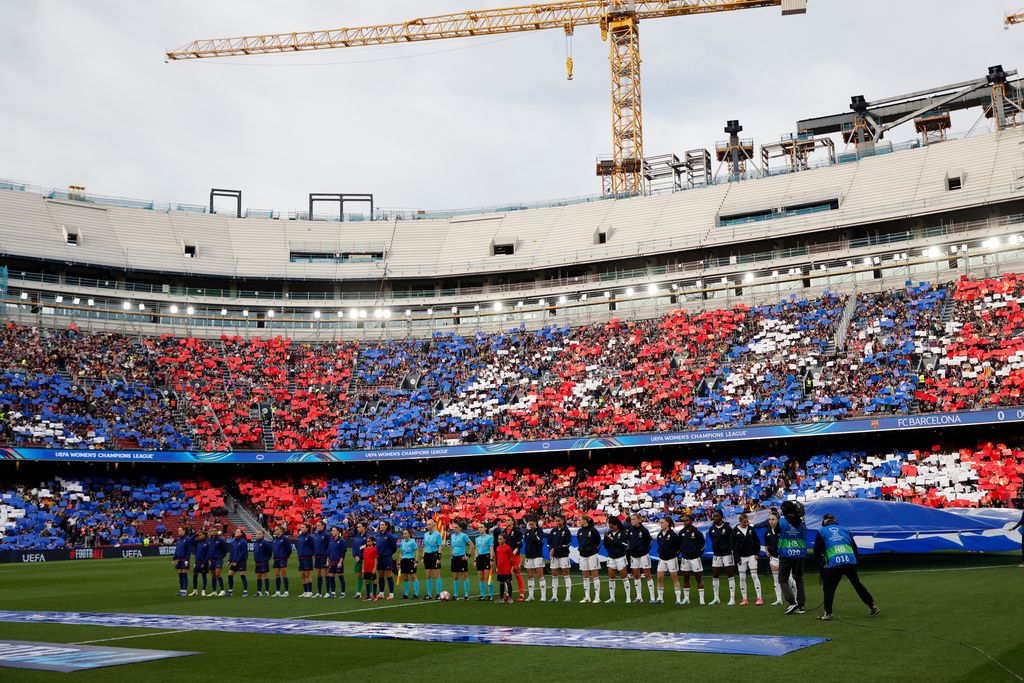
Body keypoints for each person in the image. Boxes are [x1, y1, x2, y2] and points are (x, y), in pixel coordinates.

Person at [814, 514, 880, 621]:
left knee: (829, 587)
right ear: (834, 520)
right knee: (857, 584)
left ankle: (828, 613)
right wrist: (853, 559)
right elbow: (854, 547)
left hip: (835, 561)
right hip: (849, 559)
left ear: (825, 521)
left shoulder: (822, 531)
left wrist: (822, 562)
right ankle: (872, 606)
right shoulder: (845, 530)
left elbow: (817, 550)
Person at [757, 509, 793, 606]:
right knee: (776, 579)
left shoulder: (782, 529)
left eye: (773, 519)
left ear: (777, 520)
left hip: (784, 557)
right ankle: (779, 599)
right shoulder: (767, 531)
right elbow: (767, 542)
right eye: (769, 519)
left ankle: (797, 597)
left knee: (789, 578)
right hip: (774, 558)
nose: (771, 521)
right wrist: (767, 550)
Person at [778, 500, 807, 614]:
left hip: (786, 553)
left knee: (782, 579)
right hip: (799, 554)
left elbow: (775, 532)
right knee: (799, 579)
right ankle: (801, 605)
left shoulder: (782, 522)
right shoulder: (802, 522)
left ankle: (791, 602)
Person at [731, 513, 762, 606]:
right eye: (744, 522)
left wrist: (757, 553)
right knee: (742, 577)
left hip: (751, 555)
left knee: (754, 576)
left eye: (747, 521)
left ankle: (759, 597)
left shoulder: (751, 530)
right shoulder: (735, 531)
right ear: (740, 522)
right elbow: (733, 545)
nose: (746, 523)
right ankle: (744, 599)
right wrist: (737, 558)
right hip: (741, 557)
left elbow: (757, 542)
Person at [707, 509, 735, 606]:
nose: (715, 518)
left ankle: (732, 598)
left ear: (722, 516)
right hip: (716, 554)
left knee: (730, 575)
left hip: (727, 553)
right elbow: (712, 539)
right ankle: (716, 598)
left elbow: (731, 540)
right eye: (714, 516)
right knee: (715, 576)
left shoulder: (727, 528)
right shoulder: (711, 529)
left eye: (717, 516)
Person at [494, 515, 525, 600]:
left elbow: (519, 544)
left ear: (512, 521)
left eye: (508, 520)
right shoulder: (503, 531)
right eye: (505, 520)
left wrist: (513, 553)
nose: (506, 522)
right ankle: (508, 593)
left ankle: (521, 594)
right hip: (506, 557)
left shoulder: (517, 531)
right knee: (507, 574)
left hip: (515, 556)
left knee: (517, 573)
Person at [626, 512, 655, 604]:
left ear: (639, 520)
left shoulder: (644, 530)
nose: (632, 521)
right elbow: (629, 542)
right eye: (631, 519)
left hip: (643, 555)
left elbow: (649, 542)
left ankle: (652, 597)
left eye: (634, 519)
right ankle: (639, 597)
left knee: (647, 575)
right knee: (636, 576)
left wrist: (645, 550)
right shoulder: (630, 530)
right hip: (634, 556)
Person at [678, 514, 706, 605]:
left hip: (695, 558)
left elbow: (702, 545)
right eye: (684, 521)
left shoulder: (697, 532)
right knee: (686, 578)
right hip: (685, 558)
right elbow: (679, 544)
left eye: (687, 520)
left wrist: (698, 554)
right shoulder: (681, 532)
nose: (685, 522)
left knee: (698, 578)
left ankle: (701, 598)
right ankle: (686, 598)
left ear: (691, 521)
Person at [602, 516, 630, 603]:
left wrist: (613, 539)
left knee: (624, 577)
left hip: (620, 557)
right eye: (610, 527)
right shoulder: (609, 533)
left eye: (612, 527)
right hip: (611, 557)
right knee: (611, 577)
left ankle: (628, 597)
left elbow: (625, 545)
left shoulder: (622, 533)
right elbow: (605, 545)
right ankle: (612, 597)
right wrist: (606, 538)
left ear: (617, 525)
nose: (611, 529)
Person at [655, 516, 682, 604]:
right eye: (660, 523)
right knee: (659, 578)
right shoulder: (659, 535)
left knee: (674, 578)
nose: (661, 524)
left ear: (667, 523)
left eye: (662, 523)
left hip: (671, 559)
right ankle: (660, 598)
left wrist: (673, 555)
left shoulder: (673, 534)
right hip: (662, 559)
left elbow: (678, 547)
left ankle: (678, 599)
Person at [547, 514, 573, 602]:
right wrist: (551, 549)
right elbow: (549, 542)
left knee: (566, 575)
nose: (557, 523)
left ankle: (568, 596)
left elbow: (567, 544)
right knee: (554, 576)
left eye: (559, 521)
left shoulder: (566, 531)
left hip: (563, 556)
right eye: (556, 521)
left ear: (563, 520)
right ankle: (554, 596)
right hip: (555, 557)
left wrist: (555, 549)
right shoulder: (553, 530)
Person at [576, 514, 601, 603]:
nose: (579, 521)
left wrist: (594, 550)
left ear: (585, 520)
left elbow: (598, 542)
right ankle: (587, 597)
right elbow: (580, 542)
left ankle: (597, 597)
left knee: (595, 576)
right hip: (582, 555)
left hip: (592, 555)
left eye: (580, 520)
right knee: (585, 576)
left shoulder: (593, 530)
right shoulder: (579, 531)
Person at [523, 517, 546, 601]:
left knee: (540, 575)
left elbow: (535, 540)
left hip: (537, 556)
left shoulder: (539, 532)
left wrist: (531, 531)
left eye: (532, 524)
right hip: (529, 556)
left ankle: (543, 595)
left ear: (536, 523)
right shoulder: (527, 533)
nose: (531, 526)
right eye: (529, 524)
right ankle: (531, 595)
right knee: (530, 576)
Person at [449, 521, 472, 600]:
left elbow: (471, 545)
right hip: (455, 558)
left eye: (456, 528)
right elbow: (451, 545)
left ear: (460, 528)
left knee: (464, 576)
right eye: (454, 528)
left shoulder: (464, 536)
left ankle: (466, 595)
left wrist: (468, 555)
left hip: (462, 557)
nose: (454, 529)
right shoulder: (452, 536)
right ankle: (456, 595)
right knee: (455, 577)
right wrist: (452, 554)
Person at [375, 520, 398, 600]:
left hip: (387, 558)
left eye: (382, 525)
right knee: (380, 576)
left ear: (386, 526)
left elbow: (394, 548)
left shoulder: (390, 536)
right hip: (379, 558)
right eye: (380, 525)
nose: (381, 526)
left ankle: (391, 594)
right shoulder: (377, 536)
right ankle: (381, 593)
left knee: (389, 575)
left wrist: (387, 553)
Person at [422, 519, 443, 600]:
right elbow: (425, 546)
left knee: (437, 575)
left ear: (433, 525)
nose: (428, 526)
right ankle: (429, 594)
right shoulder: (425, 535)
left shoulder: (437, 535)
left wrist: (438, 558)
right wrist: (423, 557)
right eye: (427, 524)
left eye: (429, 524)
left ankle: (438, 594)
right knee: (428, 576)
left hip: (434, 555)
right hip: (427, 555)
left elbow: (440, 546)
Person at [474, 521, 495, 601]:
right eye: (479, 527)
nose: (480, 529)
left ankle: (490, 595)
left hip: (486, 557)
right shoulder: (478, 539)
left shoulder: (489, 538)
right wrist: (475, 560)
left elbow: (491, 549)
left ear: (486, 528)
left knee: (487, 577)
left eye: (481, 527)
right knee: (481, 577)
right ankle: (482, 595)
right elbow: (476, 550)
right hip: (479, 558)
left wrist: (491, 559)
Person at [227, 528, 249, 597]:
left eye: (238, 531)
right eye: (236, 531)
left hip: (241, 562)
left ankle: (245, 591)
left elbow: (242, 553)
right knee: (230, 576)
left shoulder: (243, 542)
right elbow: (232, 552)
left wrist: (237, 561)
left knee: (242, 576)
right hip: (234, 562)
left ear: (241, 533)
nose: (236, 532)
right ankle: (230, 591)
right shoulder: (233, 542)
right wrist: (229, 561)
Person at [351, 521, 370, 599]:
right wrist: (355, 556)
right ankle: (358, 593)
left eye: (359, 527)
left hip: (365, 559)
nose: (358, 528)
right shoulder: (356, 537)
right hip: (357, 559)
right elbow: (353, 548)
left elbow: (367, 548)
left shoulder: (368, 537)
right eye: (357, 527)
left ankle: (370, 592)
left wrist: (360, 556)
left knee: (367, 576)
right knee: (359, 575)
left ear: (364, 527)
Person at [399, 528, 420, 599]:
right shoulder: (402, 542)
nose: (404, 535)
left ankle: (416, 594)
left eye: (405, 533)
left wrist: (416, 561)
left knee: (413, 577)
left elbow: (417, 552)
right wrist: (399, 563)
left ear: (409, 534)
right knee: (405, 578)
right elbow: (401, 553)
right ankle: (406, 594)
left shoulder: (412, 542)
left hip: (410, 560)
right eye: (403, 533)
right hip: (404, 561)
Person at [271, 524, 291, 597]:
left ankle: (286, 591)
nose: (275, 531)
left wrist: (285, 556)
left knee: (284, 575)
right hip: (276, 559)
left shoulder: (285, 538)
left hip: (282, 559)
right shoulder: (275, 538)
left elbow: (289, 549)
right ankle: (278, 591)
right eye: (275, 530)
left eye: (277, 530)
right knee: (277, 575)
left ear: (281, 530)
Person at [295, 523, 315, 598]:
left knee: (307, 574)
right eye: (301, 527)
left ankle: (310, 591)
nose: (301, 528)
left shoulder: (309, 537)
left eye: (303, 527)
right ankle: (305, 591)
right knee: (302, 574)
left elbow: (313, 546)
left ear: (307, 529)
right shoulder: (299, 537)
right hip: (300, 558)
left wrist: (311, 554)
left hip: (307, 557)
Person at [495, 532, 515, 604]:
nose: (499, 541)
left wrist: (510, 567)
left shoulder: (508, 548)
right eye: (498, 539)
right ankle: (501, 597)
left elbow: (511, 558)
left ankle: (510, 597)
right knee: (501, 582)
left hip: (506, 568)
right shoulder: (497, 548)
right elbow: (498, 558)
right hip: (500, 568)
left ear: (505, 540)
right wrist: (497, 566)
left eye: (501, 539)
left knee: (508, 582)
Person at [312, 520, 331, 598]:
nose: (317, 527)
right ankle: (319, 592)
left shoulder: (326, 535)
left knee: (326, 573)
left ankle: (327, 592)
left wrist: (328, 558)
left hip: (324, 556)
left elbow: (329, 546)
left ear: (323, 526)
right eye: (317, 525)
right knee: (318, 574)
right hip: (317, 556)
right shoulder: (316, 535)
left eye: (319, 525)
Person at [327, 525, 347, 598]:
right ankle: (333, 593)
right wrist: (327, 561)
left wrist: (340, 562)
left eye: (334, 531)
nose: (332, 532)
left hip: (338, 561)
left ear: (338, 532)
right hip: (332, 561)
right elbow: (329, 551)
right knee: (331, 577)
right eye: (332, 531)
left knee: (340, 577)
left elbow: (343, 552)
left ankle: (343, 593)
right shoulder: (331, 540)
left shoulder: (342, 541)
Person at [208, 528, 228, 596]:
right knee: (213, 575)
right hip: (211, 560)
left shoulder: (220, 540)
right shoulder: (209, 540)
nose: (214, 532)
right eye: (213, 531)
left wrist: (221, 556)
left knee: (217, 574)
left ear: (217, 532)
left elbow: (225, 550)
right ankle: (214, 591)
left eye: (215, 531)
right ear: (211, 532)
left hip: (218, 559)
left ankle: (222, 590)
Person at [252, 529, 272, 597]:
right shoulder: (255, 542)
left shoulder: (265, 542)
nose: (258, 535)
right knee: (258, 576)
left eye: (259, 533)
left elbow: (269, 551)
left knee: (265, 576)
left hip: (264, 561)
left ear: (263, 534)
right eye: (257, 534)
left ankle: (267, 592)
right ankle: (259, 592)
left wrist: (266, 558)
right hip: (257, 562)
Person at [172, 526, 192, 596]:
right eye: (178, 530)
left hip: (184, 559)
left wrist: (187, 559)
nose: (178, 532)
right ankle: (181, 590)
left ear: (184, 531)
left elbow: (189, 550)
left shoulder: (187, 539)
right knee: (180, 575)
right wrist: (173, 558)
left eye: (180, 530)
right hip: (179, 559)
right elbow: (176, 550)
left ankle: (184, 590)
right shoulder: (178, 540)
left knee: (184, 575)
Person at [190, 530, 210, 596]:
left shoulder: (207, 542)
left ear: (204, 535)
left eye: (200, 535)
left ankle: (203, 591)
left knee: (204, 576)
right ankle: (195, 591)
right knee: (195, 576)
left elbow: (208, 554)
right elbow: (190, 540)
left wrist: (204, 563)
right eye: (199, 535)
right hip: (197, 562)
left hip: (203, 563)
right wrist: (195, 534)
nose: (199, 537)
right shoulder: (198, 542)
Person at [362, 536, 379, 601]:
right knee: (367, 581)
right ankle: (368, 595)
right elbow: (364, 559)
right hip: (366, 568)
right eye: (367, 541)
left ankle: (374, 595)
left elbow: (375, 559)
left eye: (369, 541)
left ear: (372, 542)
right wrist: (363, 568)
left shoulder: (374, 549)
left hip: (371, 568)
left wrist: (375, 568)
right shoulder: (365, 549)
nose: (368, 543)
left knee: (373, 580)